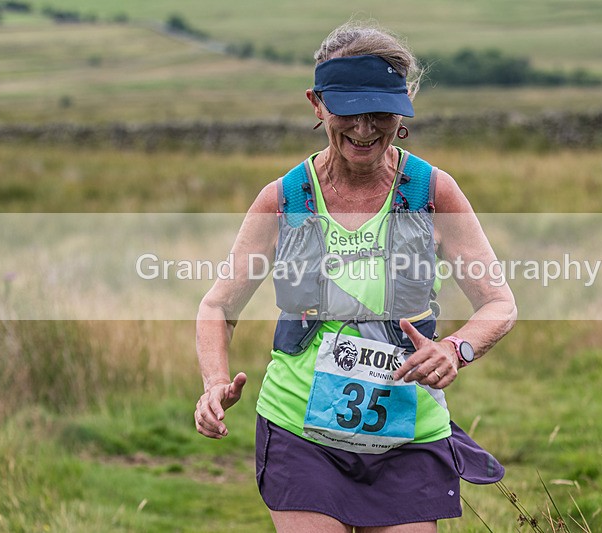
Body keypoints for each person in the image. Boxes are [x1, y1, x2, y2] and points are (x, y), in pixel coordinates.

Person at [194, 21, 517, 532]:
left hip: (408, 436)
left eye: (381, 113)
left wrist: (456, 349)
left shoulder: (432, 192)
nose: (364, 130)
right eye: (347, 111)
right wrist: (214, 384)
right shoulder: (284, 199)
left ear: (405, 105)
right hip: (301, 433)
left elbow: (499, 303)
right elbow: (218, 306)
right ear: (317, 104)